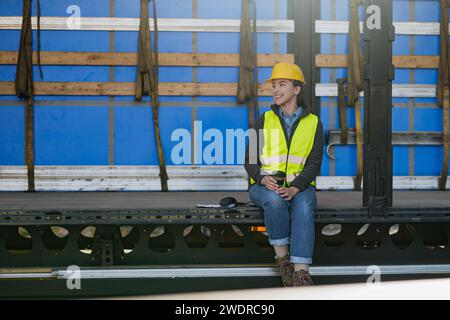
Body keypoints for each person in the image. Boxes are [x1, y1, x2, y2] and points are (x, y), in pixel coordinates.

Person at [244, 62, 323, 287]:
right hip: (264, 186)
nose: (276, 90)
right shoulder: (263, 119)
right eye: (274, 85)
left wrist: (296, 187)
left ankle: (301, 274)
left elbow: (314, 162)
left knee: (304, 206)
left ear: (296, 89)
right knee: (274, 200)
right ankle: (283, 260)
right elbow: (249, 159)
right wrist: (261, 178)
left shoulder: (313, 123)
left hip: (301, 186)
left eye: (282, 84)